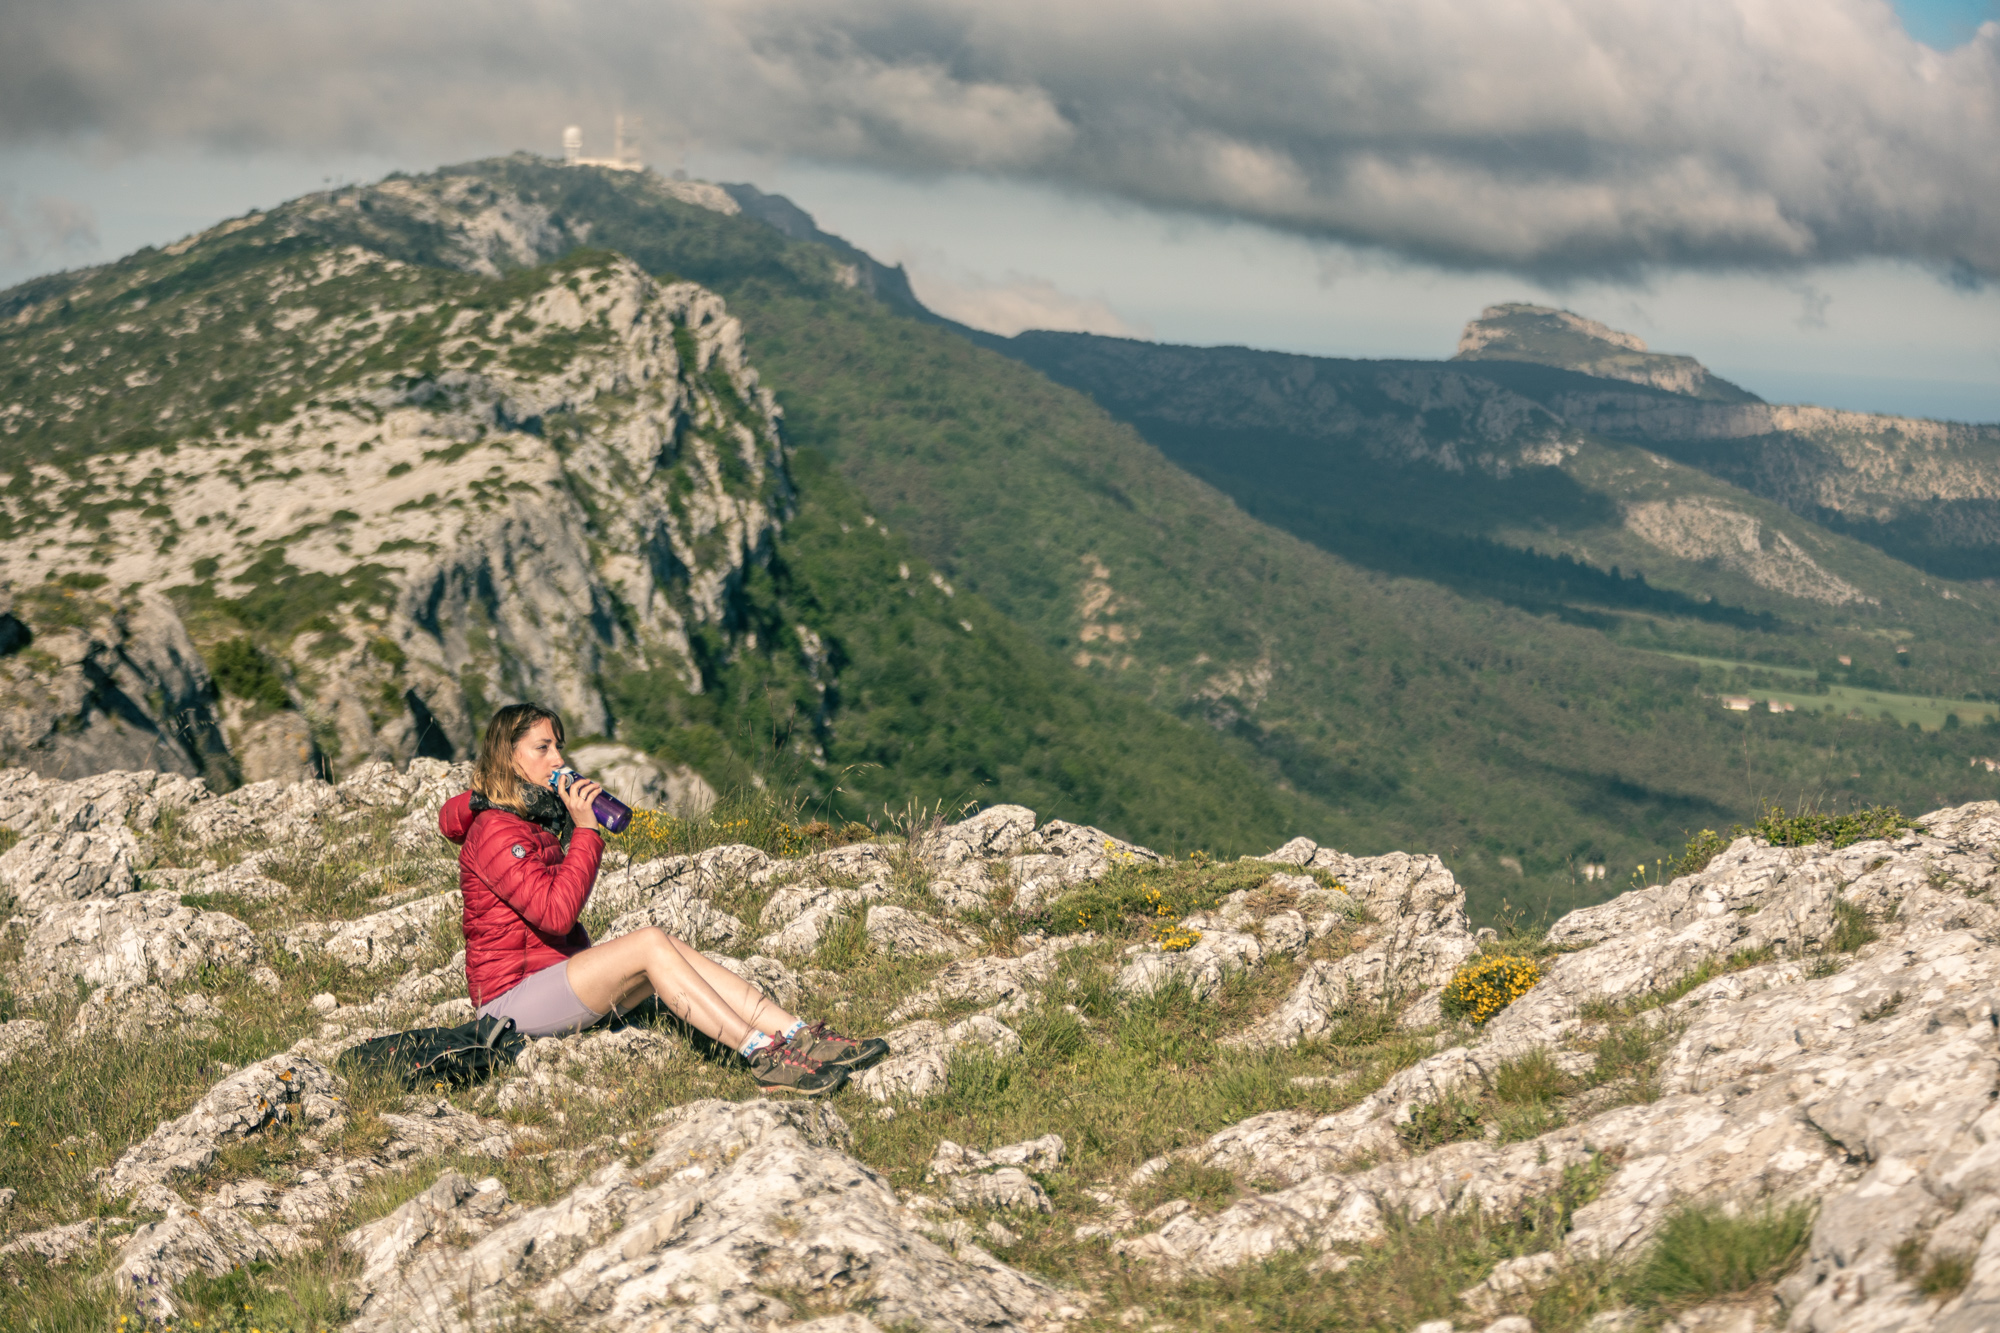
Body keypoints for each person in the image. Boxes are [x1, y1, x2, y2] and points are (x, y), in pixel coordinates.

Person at [437, 702, 887, 1096]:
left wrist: (577, 828)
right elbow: (556, 915)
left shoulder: (530, 821)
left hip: (555, 982)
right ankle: (760, 1054)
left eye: (558, 746)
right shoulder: (496, 829)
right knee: (649, 943)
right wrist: (587, 831)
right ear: (509, 757)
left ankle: (797, 1034)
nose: (559, 759)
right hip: (509, 1006)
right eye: (543, 748)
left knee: (667, 949)